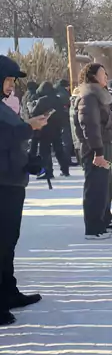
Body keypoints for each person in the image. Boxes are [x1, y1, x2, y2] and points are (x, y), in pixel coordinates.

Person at [0, 56, 48, 326]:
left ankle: (8, 292)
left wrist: (28, 161)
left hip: (12, 182)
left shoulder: (4, 107)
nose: (11, 85)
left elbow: (11, 142)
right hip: (3, 185)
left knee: (8, 242)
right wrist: (28, 127)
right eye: (8, 80)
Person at [73, 64, 112, 240]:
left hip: (104, 144)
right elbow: (90, 126)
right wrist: (98, 151)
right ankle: (93, 227)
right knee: (95, 187)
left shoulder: (99, 95)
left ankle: (104, 219)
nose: (106, 76)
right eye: (103, 74)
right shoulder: (88, 97)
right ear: (93, 76)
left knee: (106, 185)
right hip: (95, 148)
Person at [29, 81, 70, 180]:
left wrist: (31, 106)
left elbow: (34, 113)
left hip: (45, 128)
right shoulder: (58, 99)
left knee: (44, 150)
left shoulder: (42, 100)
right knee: (59, 149)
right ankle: (65, 169)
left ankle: (48, 171)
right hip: (56, 128)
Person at [56, 79, 76, 165]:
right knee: (67, 142)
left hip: (57, 121)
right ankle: (66, 161)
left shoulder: (56, 92)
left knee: (62, 142)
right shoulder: (64, 95)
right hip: (64, 120)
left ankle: (64, 160)